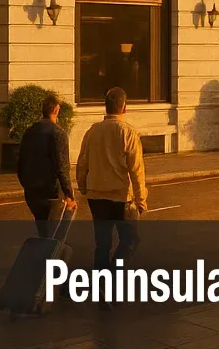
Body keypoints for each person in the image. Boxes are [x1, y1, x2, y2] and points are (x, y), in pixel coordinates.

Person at [76, 87, 147, 306]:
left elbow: (82, 163)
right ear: (124, 107)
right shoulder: (128, 133)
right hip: (120, 197)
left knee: (102, 243)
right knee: (130, 239)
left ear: (105, 106)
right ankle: (114, 277)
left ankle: (101, 287)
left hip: (96, 196)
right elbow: (136, 169)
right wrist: (141, 198)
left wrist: (83, 186)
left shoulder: (92, 131)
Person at [17, 92, 77, 237]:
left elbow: (20, 163)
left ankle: (44, 256)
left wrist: (27, 185)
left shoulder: (29, 132)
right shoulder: (58, 133)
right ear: (56, 110)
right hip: (51, 193)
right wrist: (69, 194)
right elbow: (62, 167)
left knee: (43, 233)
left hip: (32, 193)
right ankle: (52, 256)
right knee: (56, 236)